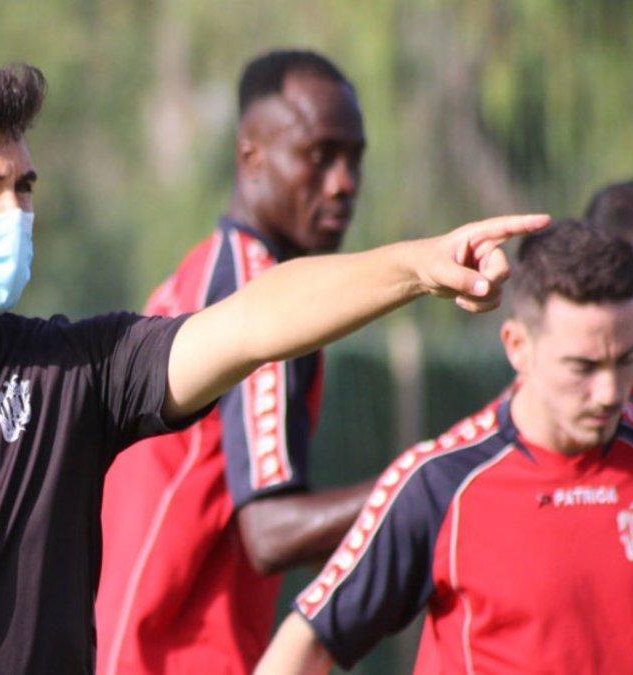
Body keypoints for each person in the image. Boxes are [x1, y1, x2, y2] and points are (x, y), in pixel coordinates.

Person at [0, 39, 545, 674]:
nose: (10, 214)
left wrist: (416, 266)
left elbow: (251, 319)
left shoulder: (73, 370)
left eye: (22, 188)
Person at [95, 49, 374, 675]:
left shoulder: (203, 273)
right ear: (250, 153)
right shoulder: (260, 302)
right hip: (171, 658)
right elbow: (271, 531)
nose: (343, 181)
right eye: (319, 154)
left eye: (354, 156)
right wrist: (429, 482)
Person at [256, 220, 633, 674]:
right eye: (583, 366)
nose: (610, 391)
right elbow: (305, 646)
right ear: (517, 346)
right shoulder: (439, 482)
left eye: (626, 360)